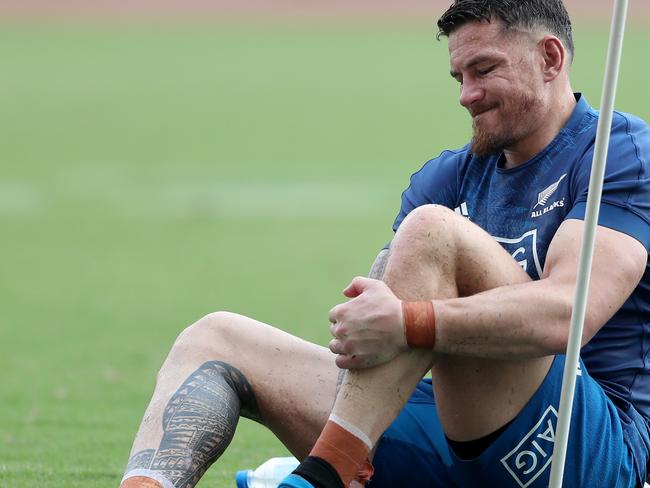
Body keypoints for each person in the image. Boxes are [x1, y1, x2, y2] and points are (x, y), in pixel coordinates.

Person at [118, 1, 650, 487]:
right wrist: (377, 323)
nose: (466, 94)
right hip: (444, 434)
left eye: (484, 69)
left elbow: (569, 314)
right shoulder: (449, 177)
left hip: (587, 456)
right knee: (214, 338)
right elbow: (381, 336)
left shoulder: (617, 153)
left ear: (550, 58)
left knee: (431, 230)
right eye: (458, 76)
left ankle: (322, 476)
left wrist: (411, 321)